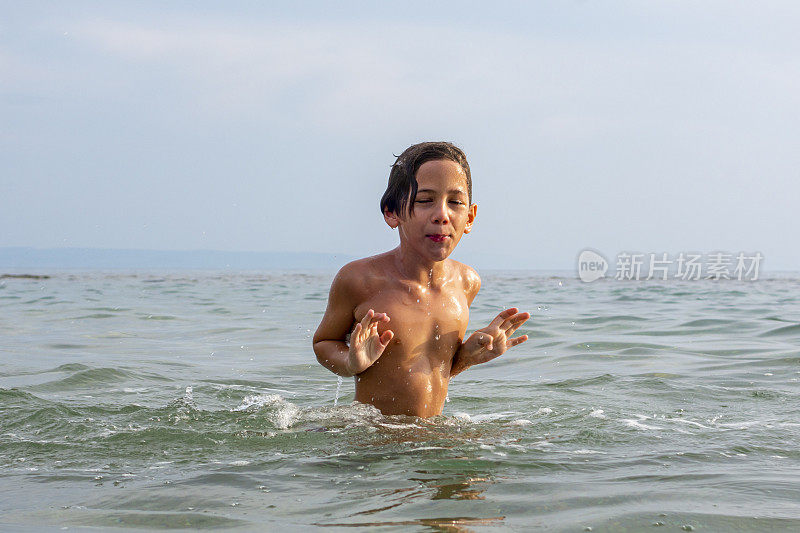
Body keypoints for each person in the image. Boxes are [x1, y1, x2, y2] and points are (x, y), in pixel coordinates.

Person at [313, 141, 530, 417]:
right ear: (392, 212)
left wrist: (468, 357)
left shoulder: (466, 282)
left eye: (455, 202)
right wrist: (351, 362)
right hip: (371, 440)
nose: (442, 215)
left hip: (431, 438)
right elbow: (323, 343)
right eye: (425, 200)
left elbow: (437, 367)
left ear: (470, 217)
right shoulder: (360, 279)